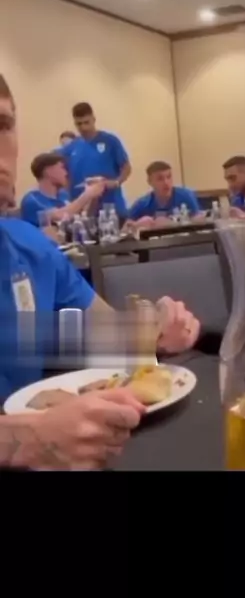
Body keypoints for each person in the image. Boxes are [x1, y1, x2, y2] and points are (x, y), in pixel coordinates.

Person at [0, 74, 204, 470]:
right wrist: (19, 440)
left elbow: (104, 331)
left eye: (1, 124)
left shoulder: (31, 249)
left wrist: (155, 331)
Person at [59, 102, 131, 219]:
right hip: (82, 213)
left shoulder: (110, 141)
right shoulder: (71, 147)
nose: (83, 127)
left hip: (110, 209)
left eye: (86, 122)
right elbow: (63, 175)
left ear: (93, 119)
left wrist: (116, 182)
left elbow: (126, 167)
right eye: (79, 124)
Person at [20, 153, 105, 228]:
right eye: (62, 168)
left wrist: (93, 196)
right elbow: (60, 216)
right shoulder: (32, 200)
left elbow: (78, 217)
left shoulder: (63, 194)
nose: (66, 173)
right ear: (48, 171)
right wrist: (87, 195)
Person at [127, 161, 200, 229]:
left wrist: (172, 223)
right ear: (150, 181)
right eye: (160, 179)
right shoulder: (142, 203)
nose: (166, 182)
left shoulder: (186, 195)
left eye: (169, 177)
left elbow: (199, 222)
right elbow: (125, 229)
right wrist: (137, 225)